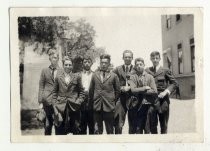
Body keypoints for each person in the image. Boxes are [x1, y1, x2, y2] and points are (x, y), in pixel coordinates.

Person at [145, 51, 178, 134]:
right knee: (152, 126)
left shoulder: (165, 70)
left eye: (156, 58)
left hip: (163, 101)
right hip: (151, 102)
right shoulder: (147, 71)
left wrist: (166, 91)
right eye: (153, 58)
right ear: (150, 59)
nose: (155, 60)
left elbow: (174, 83)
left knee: (164, 125)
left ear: (159, 59)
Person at [52, 56, 85, 135]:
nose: (68, 66)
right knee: (60, 131)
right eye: (66, 65)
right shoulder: (58, 77)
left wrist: (78, 102)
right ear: (63, 65)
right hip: (61, 108)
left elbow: (82, 92)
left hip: (74, 108)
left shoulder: (77, 77)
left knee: (76, 130)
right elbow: (54, 93)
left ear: (72, 66)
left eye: (70, 65)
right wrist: (55, 108)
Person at [89, 54, 120, 134]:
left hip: (109, 107)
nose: (103, 64)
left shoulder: (114, 76)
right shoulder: (94, 75)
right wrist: (94, 102)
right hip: (97, 106)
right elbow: (91, 91)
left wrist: (111, 101)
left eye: (105, 63)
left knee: (110, 130)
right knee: (97, 131)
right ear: (100, 63)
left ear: (109, 64)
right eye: (102, 62)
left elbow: (117, 91)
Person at [129, 57, 158, 134]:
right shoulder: (132, 77)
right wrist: (144, 88)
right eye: (137, 64)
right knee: (138, 128)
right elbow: (133, 90)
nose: (139, 66)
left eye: (141, 64)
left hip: (148, 105)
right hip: (137, 106)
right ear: (135, 66)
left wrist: (139, 90)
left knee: (147, 127)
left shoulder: (150, 77)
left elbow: (154, 91)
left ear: (144, 65)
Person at [38, 49, 60, 135]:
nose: (55, 59)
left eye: (57, 57)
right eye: (53, 57)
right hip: (46, 102)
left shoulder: (62, 70)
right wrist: (40, 102)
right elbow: (41, 86)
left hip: (58, 102)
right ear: (50, 59)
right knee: (47, 126)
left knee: (59, 126)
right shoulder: (44, 71)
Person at [112, 50, 134, 134]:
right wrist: (121, 88)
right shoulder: (117, 69)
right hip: (120, 99)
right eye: (126, 57)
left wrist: (130, 87)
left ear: (132, 58)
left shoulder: (136, 69)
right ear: (123, 58)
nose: (127, 58)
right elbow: (112, 82)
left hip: (133, 99)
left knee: (133, 124)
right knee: (118, 123)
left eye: (129, 57)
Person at [80, 55, 94, 135]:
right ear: (82, 63)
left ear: (91, 63)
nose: (87, 64)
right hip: (81, 103)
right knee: (82, 127)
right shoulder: (78, 75)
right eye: (85, 62)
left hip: (91, 103)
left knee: (92, 126)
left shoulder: (95, 75)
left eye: (89, 62)